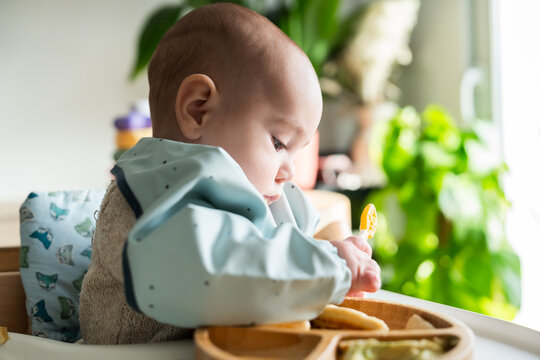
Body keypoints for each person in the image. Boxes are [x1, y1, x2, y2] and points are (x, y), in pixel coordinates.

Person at [78, 3, 380, 345]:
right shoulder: (144, 202)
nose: (290, 171)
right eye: (280, 142)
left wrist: (330, 251)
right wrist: (327, 264)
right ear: (198, 110)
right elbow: (220, 270)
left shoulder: (243, 191)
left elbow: (271, 256)